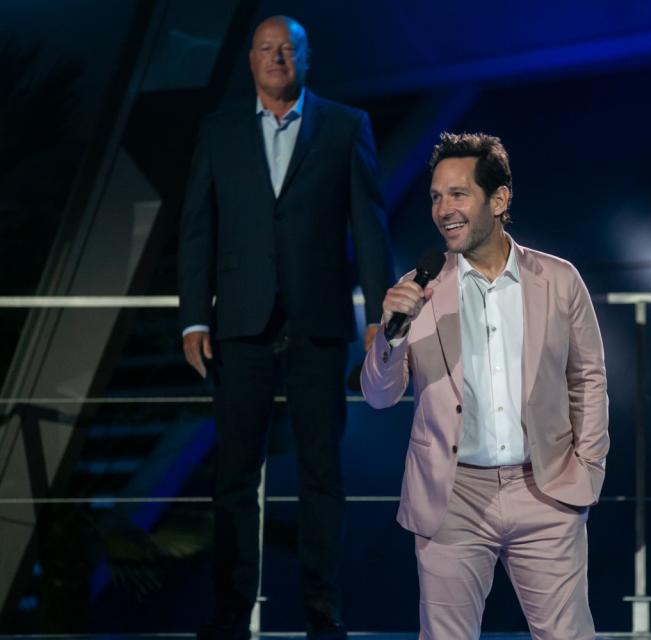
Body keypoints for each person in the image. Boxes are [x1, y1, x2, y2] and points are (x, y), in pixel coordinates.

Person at [178, 15, 393, 640]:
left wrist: (381, 320)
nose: (277, 58)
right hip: (238, 325)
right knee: (234, 476)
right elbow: (197, 229)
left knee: (323, 473)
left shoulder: (346, 126)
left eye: (288, 49)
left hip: (318, 323)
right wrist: (194, 315)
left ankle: (322, 612)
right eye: (267, 49)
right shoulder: (218, 132)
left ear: (306, 58)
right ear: (250, 60)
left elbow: (370, 230)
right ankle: (229, 613)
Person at [361, 132, 609, 639]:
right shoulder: (418, 289)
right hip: (451, 496)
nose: (442, 208)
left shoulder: (559, 280)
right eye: (435, 196)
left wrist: (585, 470)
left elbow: (588, 379)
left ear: (499, 199)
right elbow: (378, 395)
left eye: (458, 194)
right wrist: (392, 332)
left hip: (545, 489)